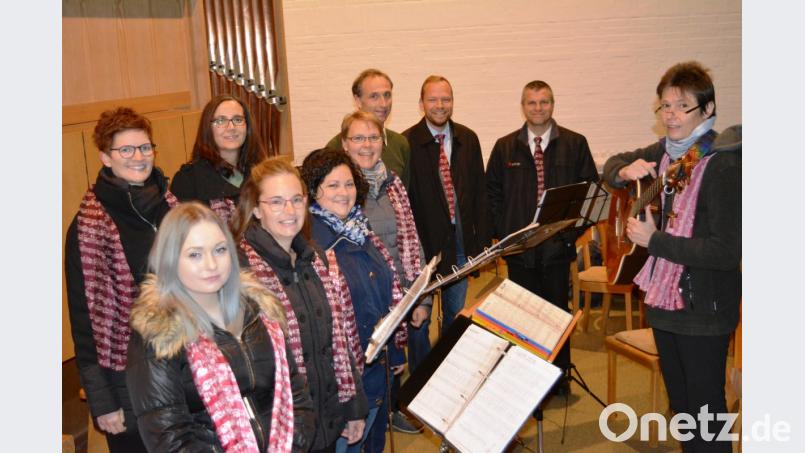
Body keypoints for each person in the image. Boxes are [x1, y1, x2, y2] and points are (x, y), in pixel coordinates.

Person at [602, 61, 741, 453]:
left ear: (708, 110)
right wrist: (623, 171)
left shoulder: (724, 164)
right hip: (663, 306)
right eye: (664, 106)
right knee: (681, 410)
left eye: (682, 107)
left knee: (706, 414)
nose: (671, 116)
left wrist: (655, 240)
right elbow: (611, 167)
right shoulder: (662, 155)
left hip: (705, 311)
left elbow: (726, 251)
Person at [126, 202, 316, 452]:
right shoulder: (159, 334)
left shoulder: (260, 312)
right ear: (170, 259)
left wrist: (295, 446)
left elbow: (296, 394)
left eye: (219, 250)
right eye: (194, 254)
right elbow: (170, 438)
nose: (211, 264)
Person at [231, 157, 369, 451]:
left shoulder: (316, 258)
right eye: (277, 202)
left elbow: (340, 340)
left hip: (327, 420)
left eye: (297, 199)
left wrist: (354, 407)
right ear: (256, 209)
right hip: (281, 432)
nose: (290, 211)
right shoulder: (242, 273)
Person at [65, 107, 176, 452]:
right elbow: (85, 321)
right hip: (127, 378)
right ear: (105, 157)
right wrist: (103, 401)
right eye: (125, 150)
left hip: (184, 362)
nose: (138, 157)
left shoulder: (171, 206)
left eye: (144, 147)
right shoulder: (88, 227)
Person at [486, 80, 599, 386]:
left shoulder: (575, 144)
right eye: (532, 102)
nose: (538, 108)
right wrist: (506, 236)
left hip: (556, 250)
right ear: (523, 106)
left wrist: (567, 236)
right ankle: (525, 381)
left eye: (544, 102)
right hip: (520, 252)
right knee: (522, 318)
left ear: (553, 104)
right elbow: (491, 195)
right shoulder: (505, 147)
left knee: (556, 317)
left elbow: (590, 197)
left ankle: (557, 379)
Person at [301, 148, 408, 453]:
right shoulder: (314, 244)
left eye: (348, 184)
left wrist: (396, 351)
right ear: (312, 191)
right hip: (348, 384)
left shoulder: (360, 229)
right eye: (332, 185)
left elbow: (386, 294)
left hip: (378, 367)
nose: (343, 193)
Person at [339, 110, 431, 434]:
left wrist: (421, 300)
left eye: (373, 137)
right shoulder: (339, 190)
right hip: (360, 307)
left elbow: (411, 241)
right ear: (344, 144)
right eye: (358, 138)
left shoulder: (393, 184)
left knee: (388, 379)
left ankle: (388, 416)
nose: (367, 145)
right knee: (362, 391)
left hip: (396, 304)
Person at [403, 75, 491, 334]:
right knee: (421, 318)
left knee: (455, 313)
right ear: (421, 103)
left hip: (460, 243)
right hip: (424, 245)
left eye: (446, 99)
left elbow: (480, 194)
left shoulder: (468, 138)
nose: (440, 105)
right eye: (433, 99)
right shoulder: (406, 143)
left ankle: (447, 362)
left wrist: (483, 241)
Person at [170, 94, 268, 224]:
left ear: (247, 126)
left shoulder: (263, 174)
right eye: (221, 121)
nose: (231, 127)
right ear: (208, 128)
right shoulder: (188, 180)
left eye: (237, 119)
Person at [326, 69, 411, 187]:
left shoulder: (400, 144)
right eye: (374, 96)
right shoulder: (334, 148)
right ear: (358, 100)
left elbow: (406, 197)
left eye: (387, 95)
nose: (383, 104)